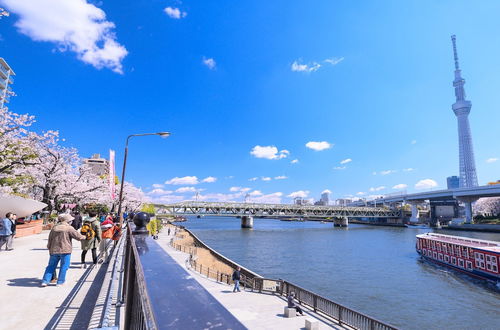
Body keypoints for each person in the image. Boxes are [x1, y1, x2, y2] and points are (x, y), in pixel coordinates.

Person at [41, 214, 86, 287]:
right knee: (64, 266)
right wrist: (85, 237)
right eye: (71, 220)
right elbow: (79, 237)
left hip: (54, 250)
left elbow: (50, 239)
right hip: (65, 250)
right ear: (68, 221)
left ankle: (45, 281)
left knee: (51, 266)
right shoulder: (69, 228)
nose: (72, 221)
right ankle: (60, 282)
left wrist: (49, 247)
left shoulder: (54, 228)